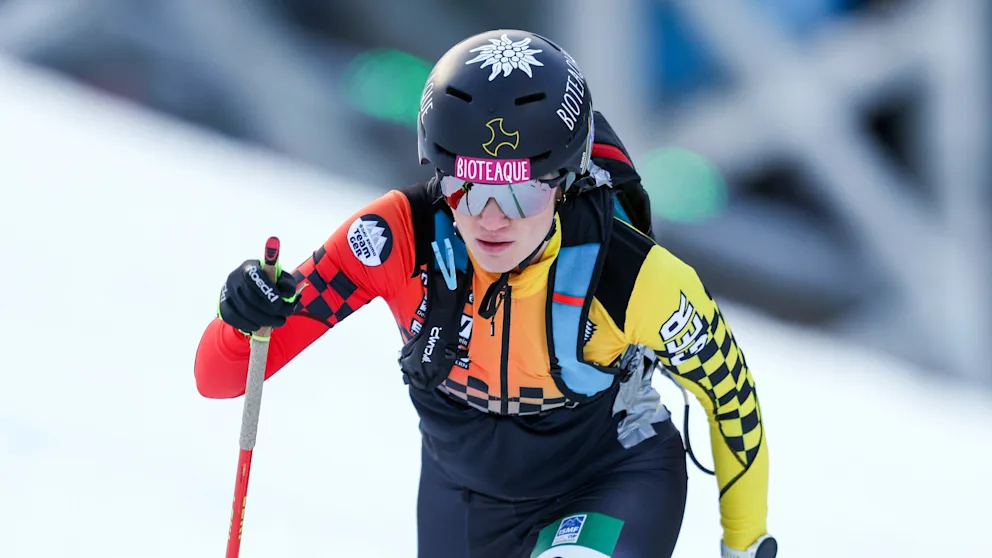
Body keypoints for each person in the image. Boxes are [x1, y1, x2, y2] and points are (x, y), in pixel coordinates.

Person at [194, 29, 777, 558]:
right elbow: (218, 378)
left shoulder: (632, 276)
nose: (491, 218)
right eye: (466, 185)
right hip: (462, 501)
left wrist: (744, 542)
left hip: (609, 483)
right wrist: (243, 319)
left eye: (520, 191)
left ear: (565, 179)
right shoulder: (394, 238)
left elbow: (730, 397)